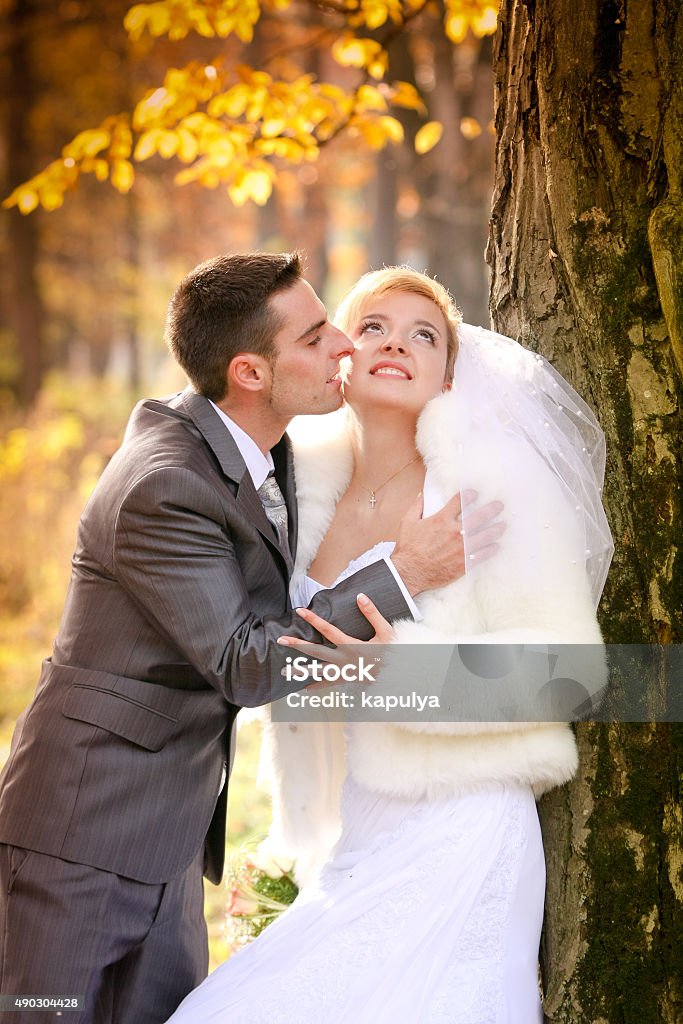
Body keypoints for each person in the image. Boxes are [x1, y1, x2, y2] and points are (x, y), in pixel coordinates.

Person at [0, 254, 496, 1024]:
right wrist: (404, 570)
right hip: (83, 837)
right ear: (250, 373)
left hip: (167, 838)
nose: (344, 347)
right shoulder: (163, 484)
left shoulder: (268, 449)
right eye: (316, 336)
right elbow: (246, 661)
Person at [164, 267, 613, 1023]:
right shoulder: (294, 491)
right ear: (340, 351)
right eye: (372, 325)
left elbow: (570, 671)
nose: (394, 343)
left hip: (463, 823)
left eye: (423, 334)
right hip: (356, 828)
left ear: (448, 373)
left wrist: (400, 672)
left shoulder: (485, 483)